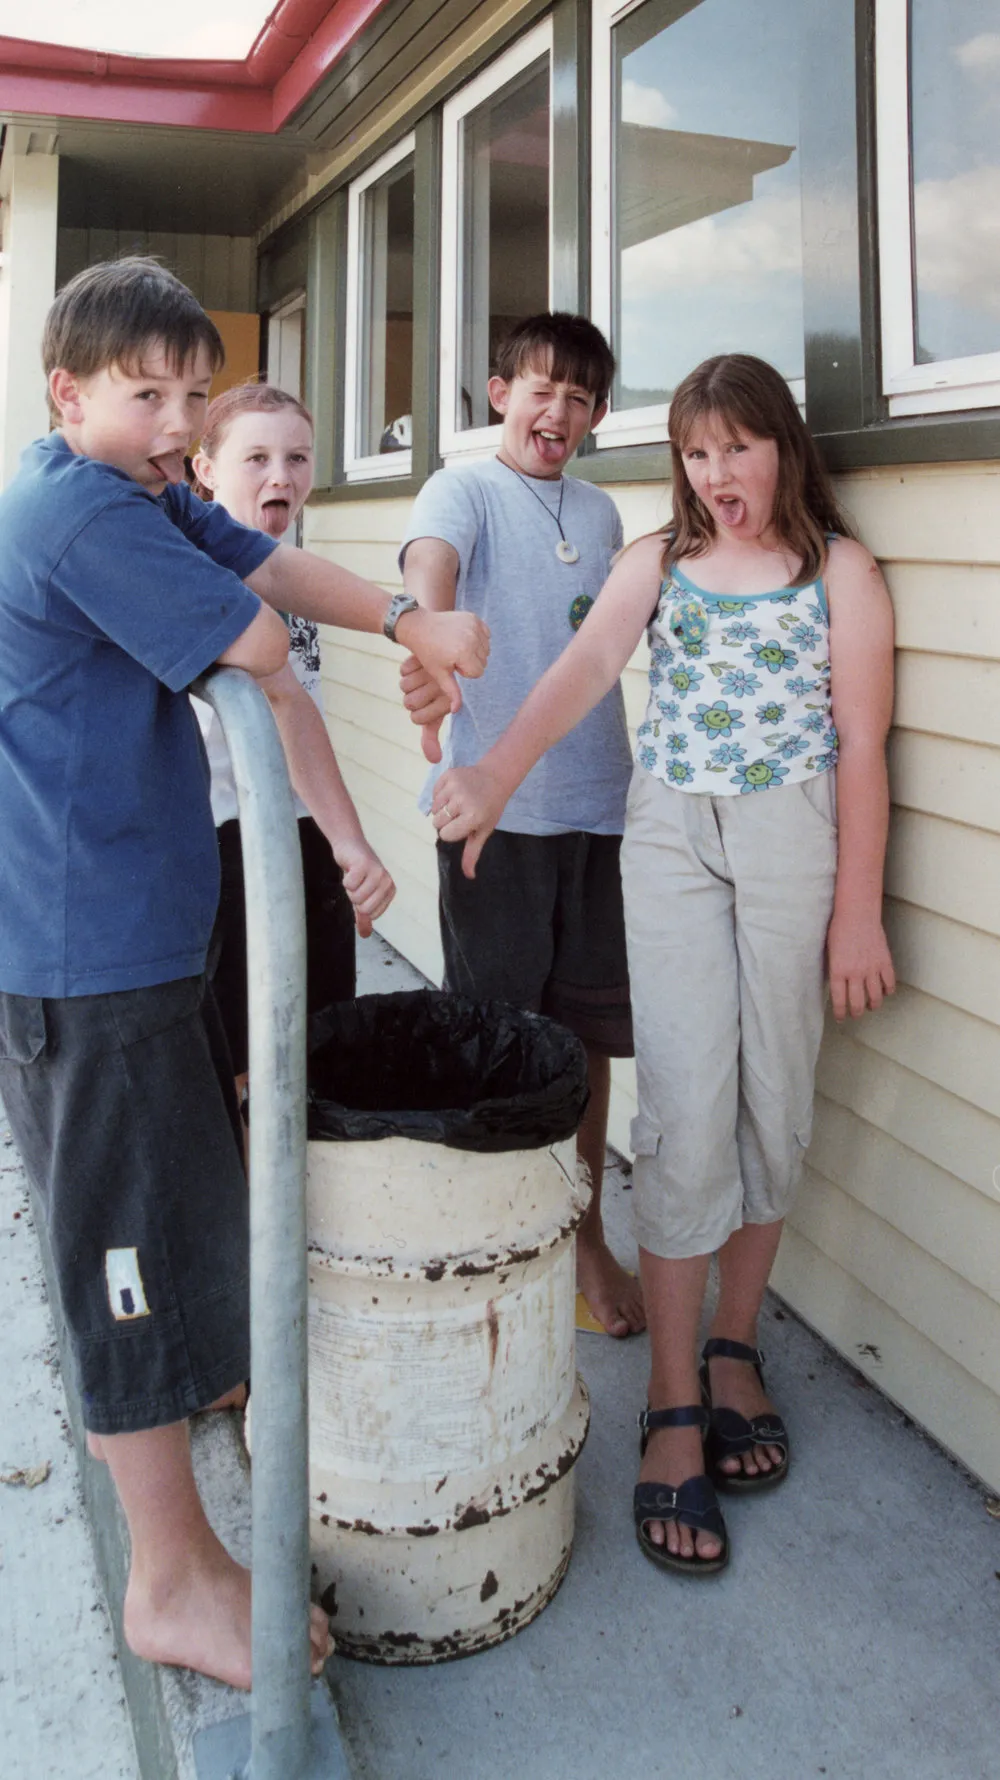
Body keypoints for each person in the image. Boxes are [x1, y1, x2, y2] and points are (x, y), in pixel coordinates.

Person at [0, 256, 487, 1688]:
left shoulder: (131, 491)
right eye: (146, 395)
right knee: (123, 1257)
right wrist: (341, 636)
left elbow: (270, 561)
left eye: (191, 394)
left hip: (131, 937)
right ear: (67, 394)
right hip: (82, 956)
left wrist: (410, 622)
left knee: (161, 1206)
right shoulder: (76, 512)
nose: (174, 421)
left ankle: (192, 1542)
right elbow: (261, 632)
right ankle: (172, 1576)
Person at [427, 353, 895, 1575]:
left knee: (773, 1099)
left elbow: (860, 751)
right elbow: (579, 675)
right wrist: (493, 775)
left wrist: (858, 910)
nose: (717, 474)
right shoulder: (658, 562)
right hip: (675, 834)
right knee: (685, 1103)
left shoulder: (839, 573)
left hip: (796, 834)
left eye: (738, 447)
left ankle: (736, 1343)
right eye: (696, 452)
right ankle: (675, 1396)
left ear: (783, 447)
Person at [399, 312, 645, 1339]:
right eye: (541, 388)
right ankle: (488, 1235)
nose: (560, 410)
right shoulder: (464, 487)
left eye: (582, 397)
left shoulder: (598, 514)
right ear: (499, 391)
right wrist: (429, 640)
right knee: (498, 1037)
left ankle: (578, 1231)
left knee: (585, 1044)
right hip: (490, 817)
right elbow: (429, 570)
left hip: (600, 809)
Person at [189, 383, 392, 1108]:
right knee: (242, 1055)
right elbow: (279, 706)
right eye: (258, 458)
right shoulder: (199, 570)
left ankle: (300, 1210)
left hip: (298, 824)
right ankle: (249, 1214)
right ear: (204, 469)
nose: (282, 475)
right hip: (224, 836)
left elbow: (304, 712)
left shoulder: (290, 563)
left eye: (298, 457)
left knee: (319, 1034)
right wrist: (351, 841)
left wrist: (340, 843)